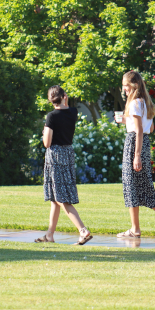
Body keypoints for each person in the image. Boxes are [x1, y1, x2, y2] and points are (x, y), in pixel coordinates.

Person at [113, 71, 155, 238]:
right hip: (143, 143)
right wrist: (125, 120)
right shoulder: (145, 103)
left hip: (134, 144)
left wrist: (136, 155)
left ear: (134, 85)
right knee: (141, 183)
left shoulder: (135, 103)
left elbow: (138, 131)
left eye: (126, 85)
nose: (124, 89)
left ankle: (139, 227)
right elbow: (149, 129)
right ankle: (150, 219)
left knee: (131, 185)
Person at [35, 85, 93, 246]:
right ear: (64, 96)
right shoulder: (72, 112)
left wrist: (44, 131)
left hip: (55, 156)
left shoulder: (51, 116)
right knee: (56, 198)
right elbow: (66, 110)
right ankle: (49, 235)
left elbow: (47, 143)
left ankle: (83, 230)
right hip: (68, 153)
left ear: (50, 100)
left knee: (61, 198)